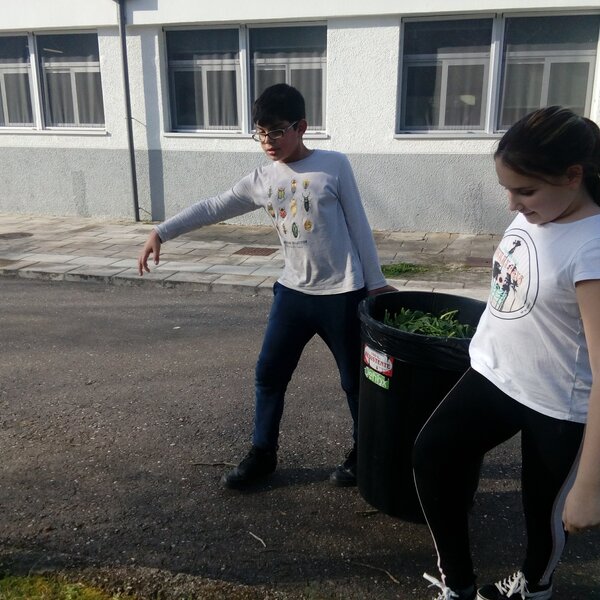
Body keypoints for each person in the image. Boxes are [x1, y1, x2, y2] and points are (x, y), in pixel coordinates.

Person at [138, 83, 394, 490]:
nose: (268, 142)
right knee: (268, 374)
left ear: (302, 127)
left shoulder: (334, 166)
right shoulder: (262, 179)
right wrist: (161, 232)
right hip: (292, 294)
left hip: (342, 293)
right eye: (260, 132)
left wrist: (376, 284)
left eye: (276, 131)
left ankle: (364, 453)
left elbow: (359, 225)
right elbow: (213, 206)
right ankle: (262, 454)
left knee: (354, 382)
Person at [413, 106, 600, 600]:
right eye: (508, 190)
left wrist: (590, 486)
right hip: (496, 376)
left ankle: (534, 590)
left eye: (525, 190)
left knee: (542, 514)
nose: (513, 204)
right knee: (432, 454)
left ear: (573, 175)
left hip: (558, 403)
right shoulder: (540, 212)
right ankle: (459, 586)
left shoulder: (593, 247)